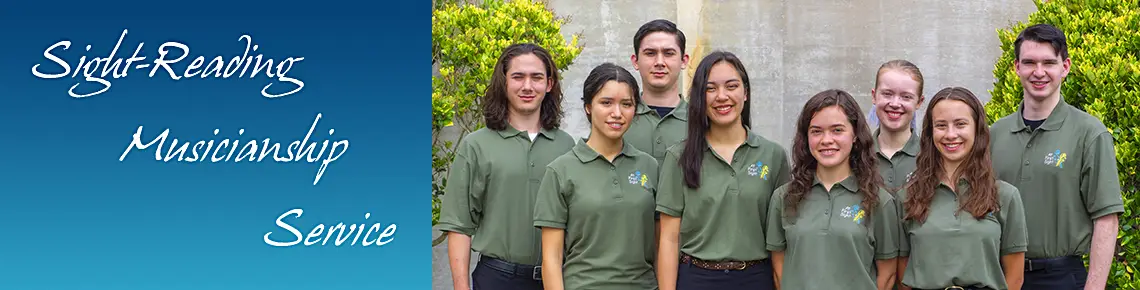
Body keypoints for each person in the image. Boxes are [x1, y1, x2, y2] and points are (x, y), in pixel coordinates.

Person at [989, 23, 1124, 290]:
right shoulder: (994, 134)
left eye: (1049, 63)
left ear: (1065, 67)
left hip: (1061, 278)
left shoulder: (1089, 134)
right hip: (1000, 276)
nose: (1039, 72)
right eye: (1029, 63)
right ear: (1017, 67)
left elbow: (1106, 219)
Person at [438, 43, 576, 290]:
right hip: (498, 279)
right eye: (518, 77)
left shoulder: (566, 145)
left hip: (558, 279)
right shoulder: (477, 145)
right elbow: (459, 225)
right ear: (504, 82)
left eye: (536, 77)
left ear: (549, 84)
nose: (527, 86)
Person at [655, 51, 791, 290]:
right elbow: (668, 238)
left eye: (731, 86)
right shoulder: (679, 156)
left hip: (756, 277)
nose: (722, 96)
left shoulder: (773, 156)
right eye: (710, 89)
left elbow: (783, 237)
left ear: (745, 92)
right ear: (699, 97)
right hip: (696, 277)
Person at [533, 62, 660, 290]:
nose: (617, 113)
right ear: (588, 107)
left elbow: (662, 246)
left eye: (627, 104)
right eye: (606, 103)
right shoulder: (561, 171)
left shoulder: (650, 167)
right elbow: (551, 260)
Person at [767, 89, 900, 290]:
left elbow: (888, 275)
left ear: (855, 135)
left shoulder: (879, 201)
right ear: (806, 137)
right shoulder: (783, 198)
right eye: (816, 131)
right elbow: (779, 272)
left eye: (837, 130)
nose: (826, 140)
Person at [897, 87, 1027, 290]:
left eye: (960, 124)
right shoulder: (907, 197)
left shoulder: (1005, 196)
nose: (951, 134)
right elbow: (901, 273)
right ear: (930, 133)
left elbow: (1015, 277)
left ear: (977, 128)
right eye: (941, 125)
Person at [626, 19, 691, 165]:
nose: (659, 62)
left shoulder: (701, 121)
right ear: (635, 61)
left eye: (669, 53)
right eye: (650, 53)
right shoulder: (619, 119)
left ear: (684, 61)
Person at [869, 60, 925, 193]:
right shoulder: (857, 156)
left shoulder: (930, 156)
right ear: (874, 96)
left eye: (906, 97)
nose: (895, 103)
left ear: (919, 102)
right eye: (887, 94)